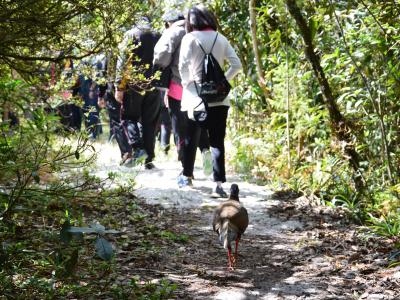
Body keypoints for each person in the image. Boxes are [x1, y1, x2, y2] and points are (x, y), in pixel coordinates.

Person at [177, 5, 242, 197]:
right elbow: (236, 65)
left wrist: (188, 81)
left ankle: (187, 176)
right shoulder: (220, 38)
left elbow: (182, 67)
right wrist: (222, 82)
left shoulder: (189, 38)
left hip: (194, 97)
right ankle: (218, 184)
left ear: (192, 20)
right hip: (220, 99)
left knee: (190, 138)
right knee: (217, 141)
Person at [153, 9, 212, 173]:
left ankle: (185, 166)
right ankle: (205, 150)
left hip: (178, 85)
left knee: (180, 127)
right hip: (201, 86)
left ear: (169, 22)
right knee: (198, 123)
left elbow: (161, 56)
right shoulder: (199, 30)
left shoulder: (173, 31)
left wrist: (161, 69)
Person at [115, 17, 161, 169]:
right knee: (150, 122)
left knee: (128, 117)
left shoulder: (130, 34)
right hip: (154, 85)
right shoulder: (158, 35)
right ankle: (149, 159)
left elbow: (122, 62)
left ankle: (138, 148)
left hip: (134, 85)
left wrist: (119, 86)